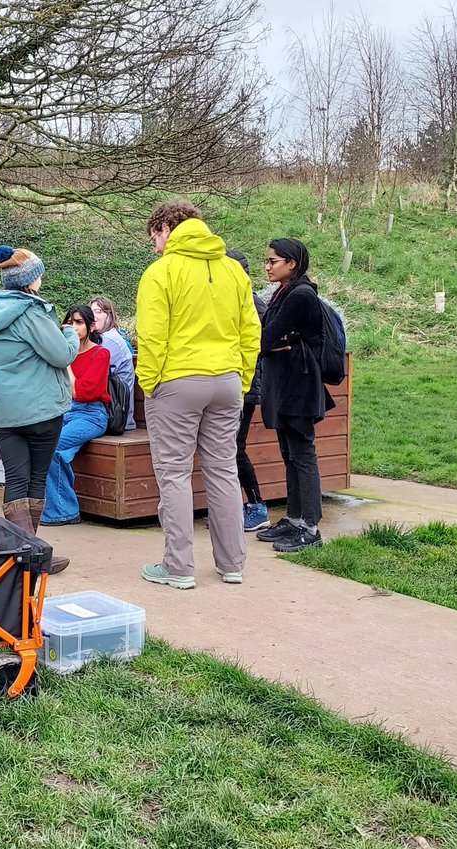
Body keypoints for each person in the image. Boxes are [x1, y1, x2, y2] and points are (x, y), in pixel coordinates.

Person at [136, 200, 260, 590]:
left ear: (166, 228)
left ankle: (178, 567)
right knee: (223, 469)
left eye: (155, 236)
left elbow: (152, 335)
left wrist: (148, 382)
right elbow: (250, 331)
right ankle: (232, 563)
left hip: (176, 381)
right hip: (226, 380)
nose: (155, 246)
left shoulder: (161, 272)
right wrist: (241, 379)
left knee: (173, 474)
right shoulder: (234, 271)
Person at [0, 245, 79, 573]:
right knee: (36, 478)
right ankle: (32, 556)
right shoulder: (31, 313)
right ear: (30, 281)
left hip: (4, 412)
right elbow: (61, 355)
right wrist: (71, 333)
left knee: (14, 479)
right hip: (42, 410)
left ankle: (27, 555)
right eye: (39, 274)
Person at [255, 238, 335, 552]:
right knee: (290, 455)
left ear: (292, 263)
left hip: (299, 387)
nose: (267, 266)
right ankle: (294, 519)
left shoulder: (300, 295)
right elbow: (266, 337)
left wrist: (269, 341)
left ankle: (311, 528)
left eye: (273, 261)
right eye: (266, 260)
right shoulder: (283, 292)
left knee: (303, 455)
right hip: (286, 383)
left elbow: (263, 338)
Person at [41, 305, 111, 525]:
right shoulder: (59, 355)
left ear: (90, 327)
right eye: (70, 322)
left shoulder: (101, 354)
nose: (73, 327)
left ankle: (64, 511)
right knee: (42, 444)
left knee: (53, 446)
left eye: (79, 322)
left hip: (91, 414)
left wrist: (67, 361)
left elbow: (80, 392)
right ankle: (56, 508)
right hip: (63, 412)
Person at [226, 250, 269, 532]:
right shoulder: (240, 301)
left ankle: (256, 506)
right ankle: (239, 507)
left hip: (246, 387)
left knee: (235, 447)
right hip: (236, 386)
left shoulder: (252, 305)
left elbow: (260, 348)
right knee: (228, 447)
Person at [89, 296, 136, 432]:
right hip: (104, 412)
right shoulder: (100, 338)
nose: (93, 316)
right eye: (90, 311)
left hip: (115, 417)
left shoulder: (109, 341)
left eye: (98, 311)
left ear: (109, 315)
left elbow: (92, 379)